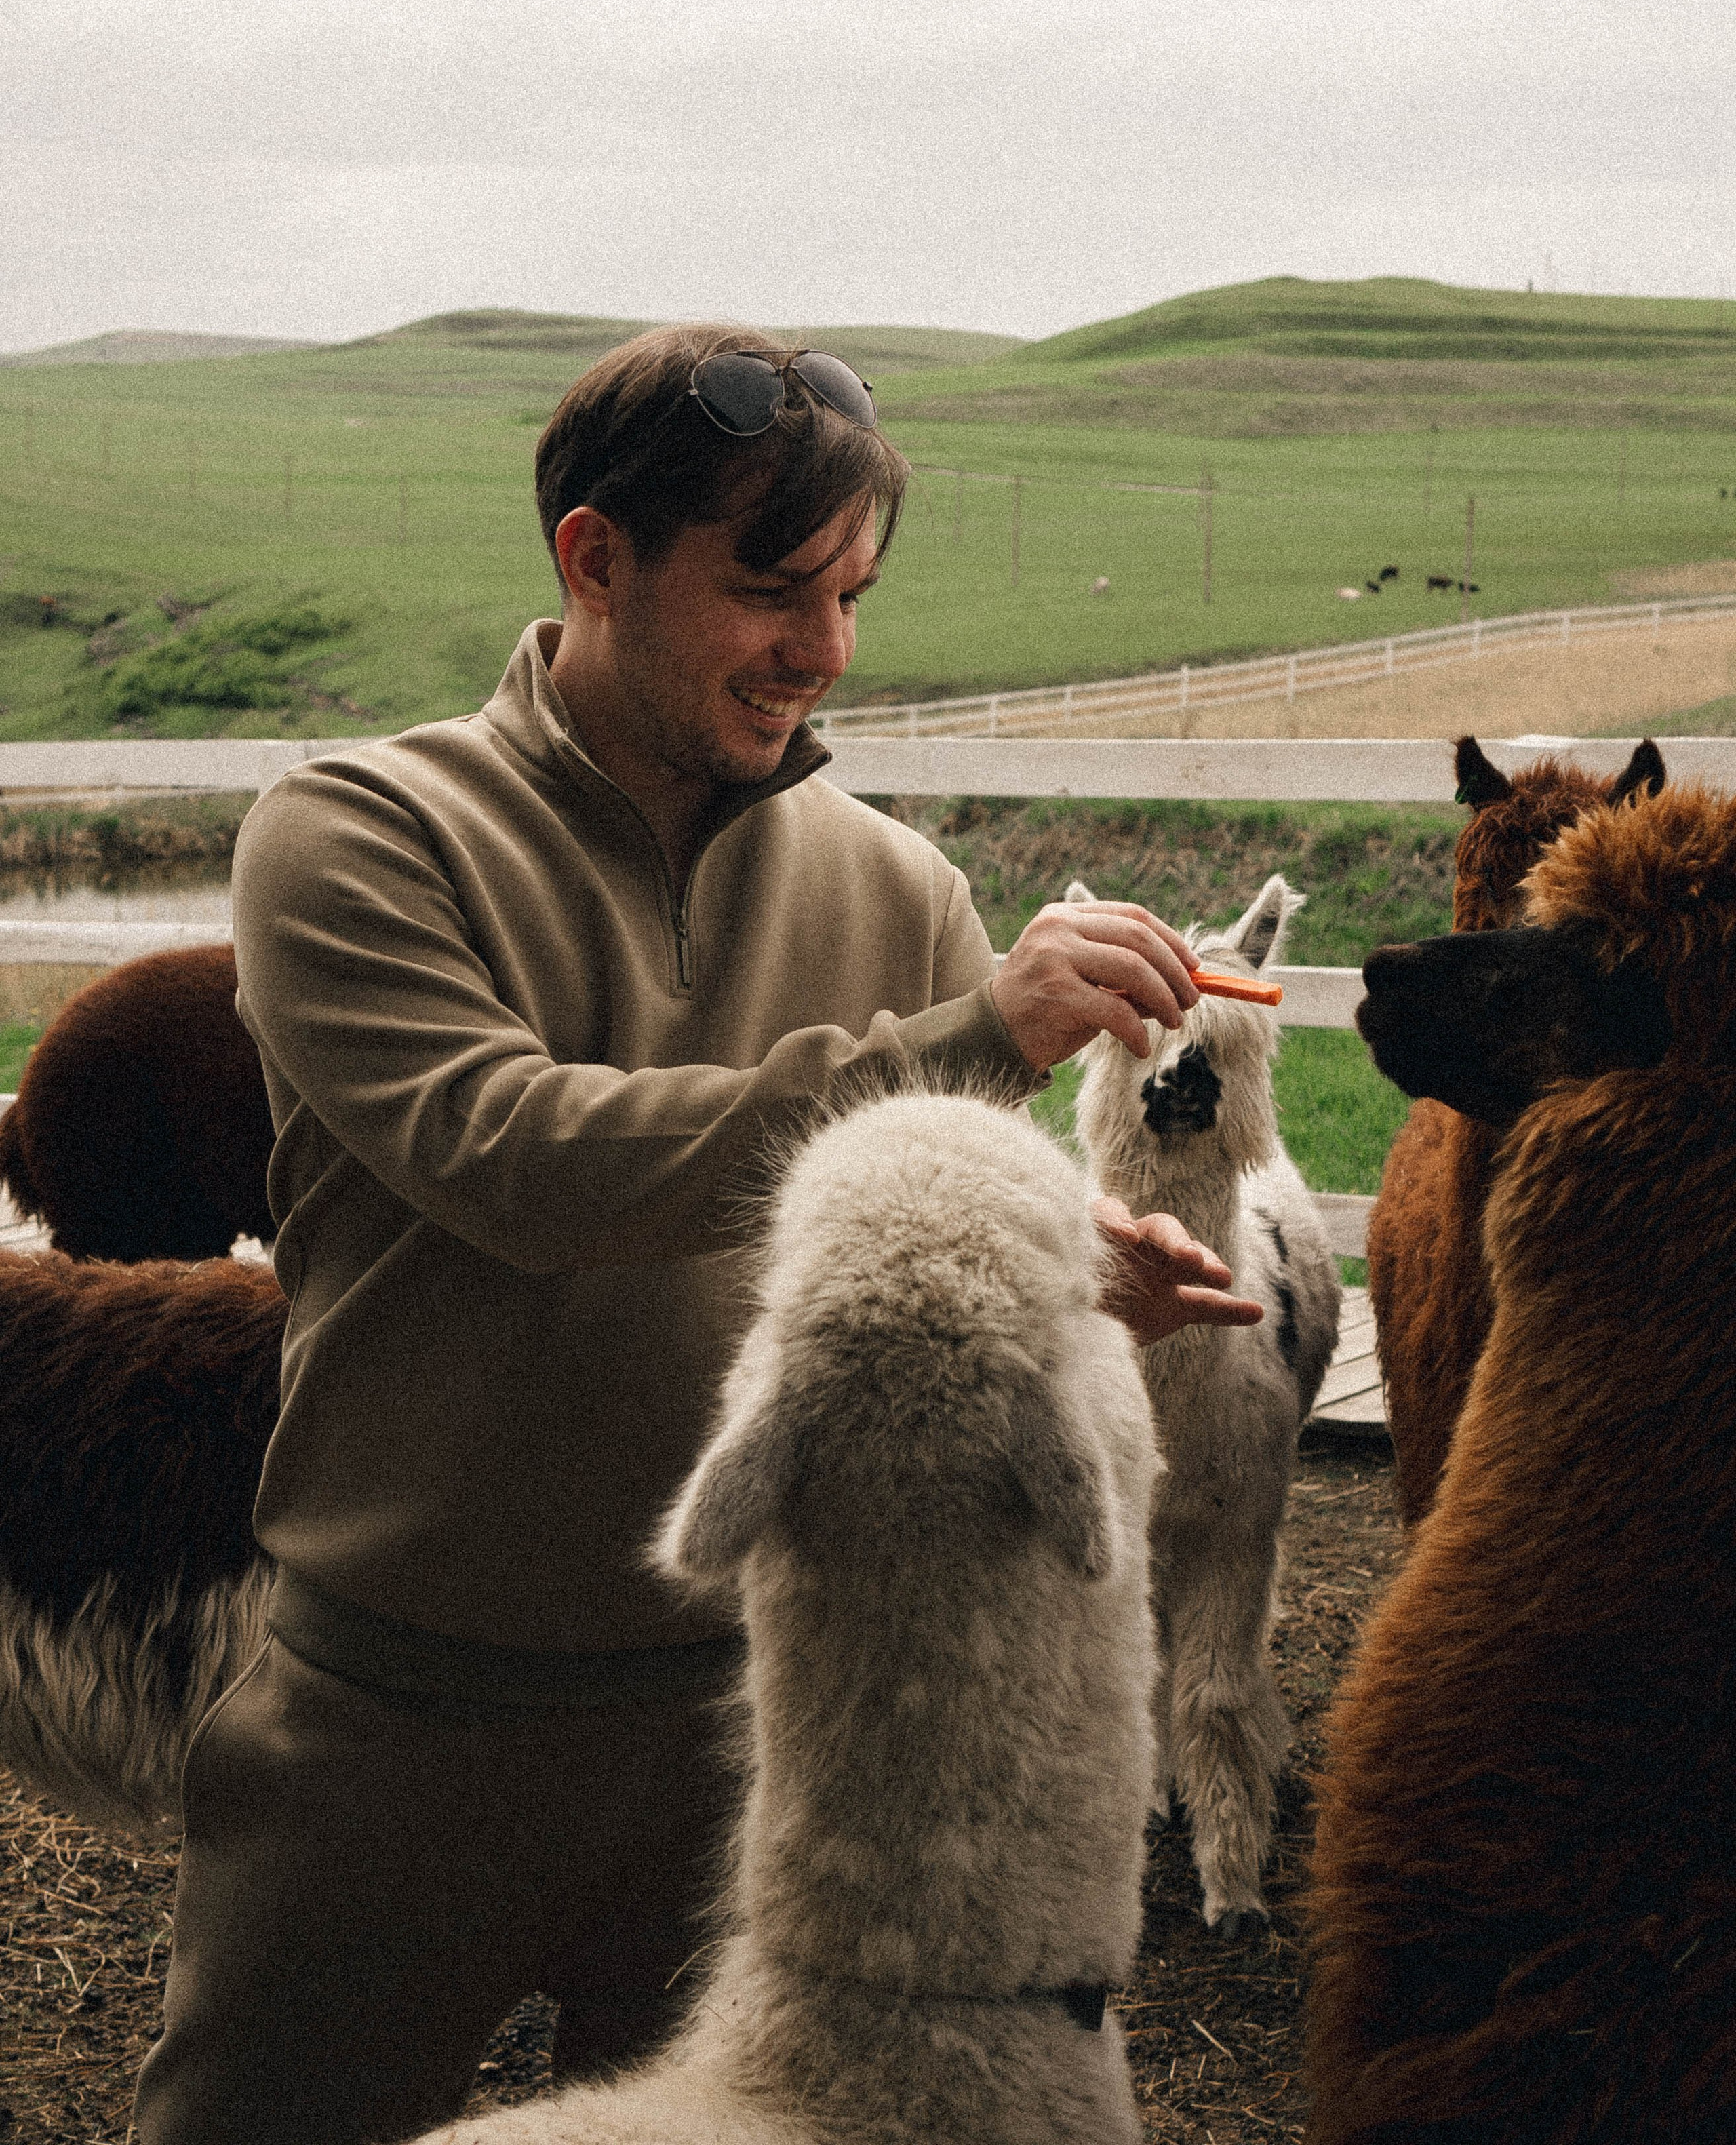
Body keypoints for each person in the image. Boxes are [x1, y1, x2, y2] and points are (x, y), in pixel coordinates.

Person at [132, 322, 1260, 2145]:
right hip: (392, 1723)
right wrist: (971, 1033)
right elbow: (517, 1158)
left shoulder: (901, 892)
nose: (820, 652)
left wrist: (1069, 1277)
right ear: (595, 559)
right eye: (769, 590)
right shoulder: (355, 834)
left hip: (765, 1744)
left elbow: (904, 1251)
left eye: (853, 596)